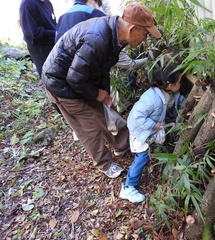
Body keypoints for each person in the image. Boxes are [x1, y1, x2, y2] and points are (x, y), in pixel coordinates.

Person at [41, 2, 161, 178]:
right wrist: (96, 93)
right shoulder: (97, 39)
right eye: (145, 34)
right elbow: (74, 78)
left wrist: (104, 92)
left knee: (105, 112)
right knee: (90, 126)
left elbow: (104, 67)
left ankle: (122, 145)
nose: (145, 39)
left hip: (82, 79)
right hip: (60, 84)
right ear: (132, 29)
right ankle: (104, 163)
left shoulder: (115, 35)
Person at [119, 63, 184, 203]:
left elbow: (178, 100)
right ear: (169, 86)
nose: (181, 84)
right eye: (179, 82)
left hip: (151, 129)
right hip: (141, 131)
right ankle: (128, 187)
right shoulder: (152, 99)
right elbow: (136, 116)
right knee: (142, 157)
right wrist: (153, 125)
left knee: (147, 153)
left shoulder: (170, 93)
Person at [19, 0, 56, 78]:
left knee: (57, 75)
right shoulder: (27, 4)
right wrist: (55, 33)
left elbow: (52, 23)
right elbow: (33, 32)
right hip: (39, 47)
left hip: (53, 43)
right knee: (48, 77)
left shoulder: (47, 3)